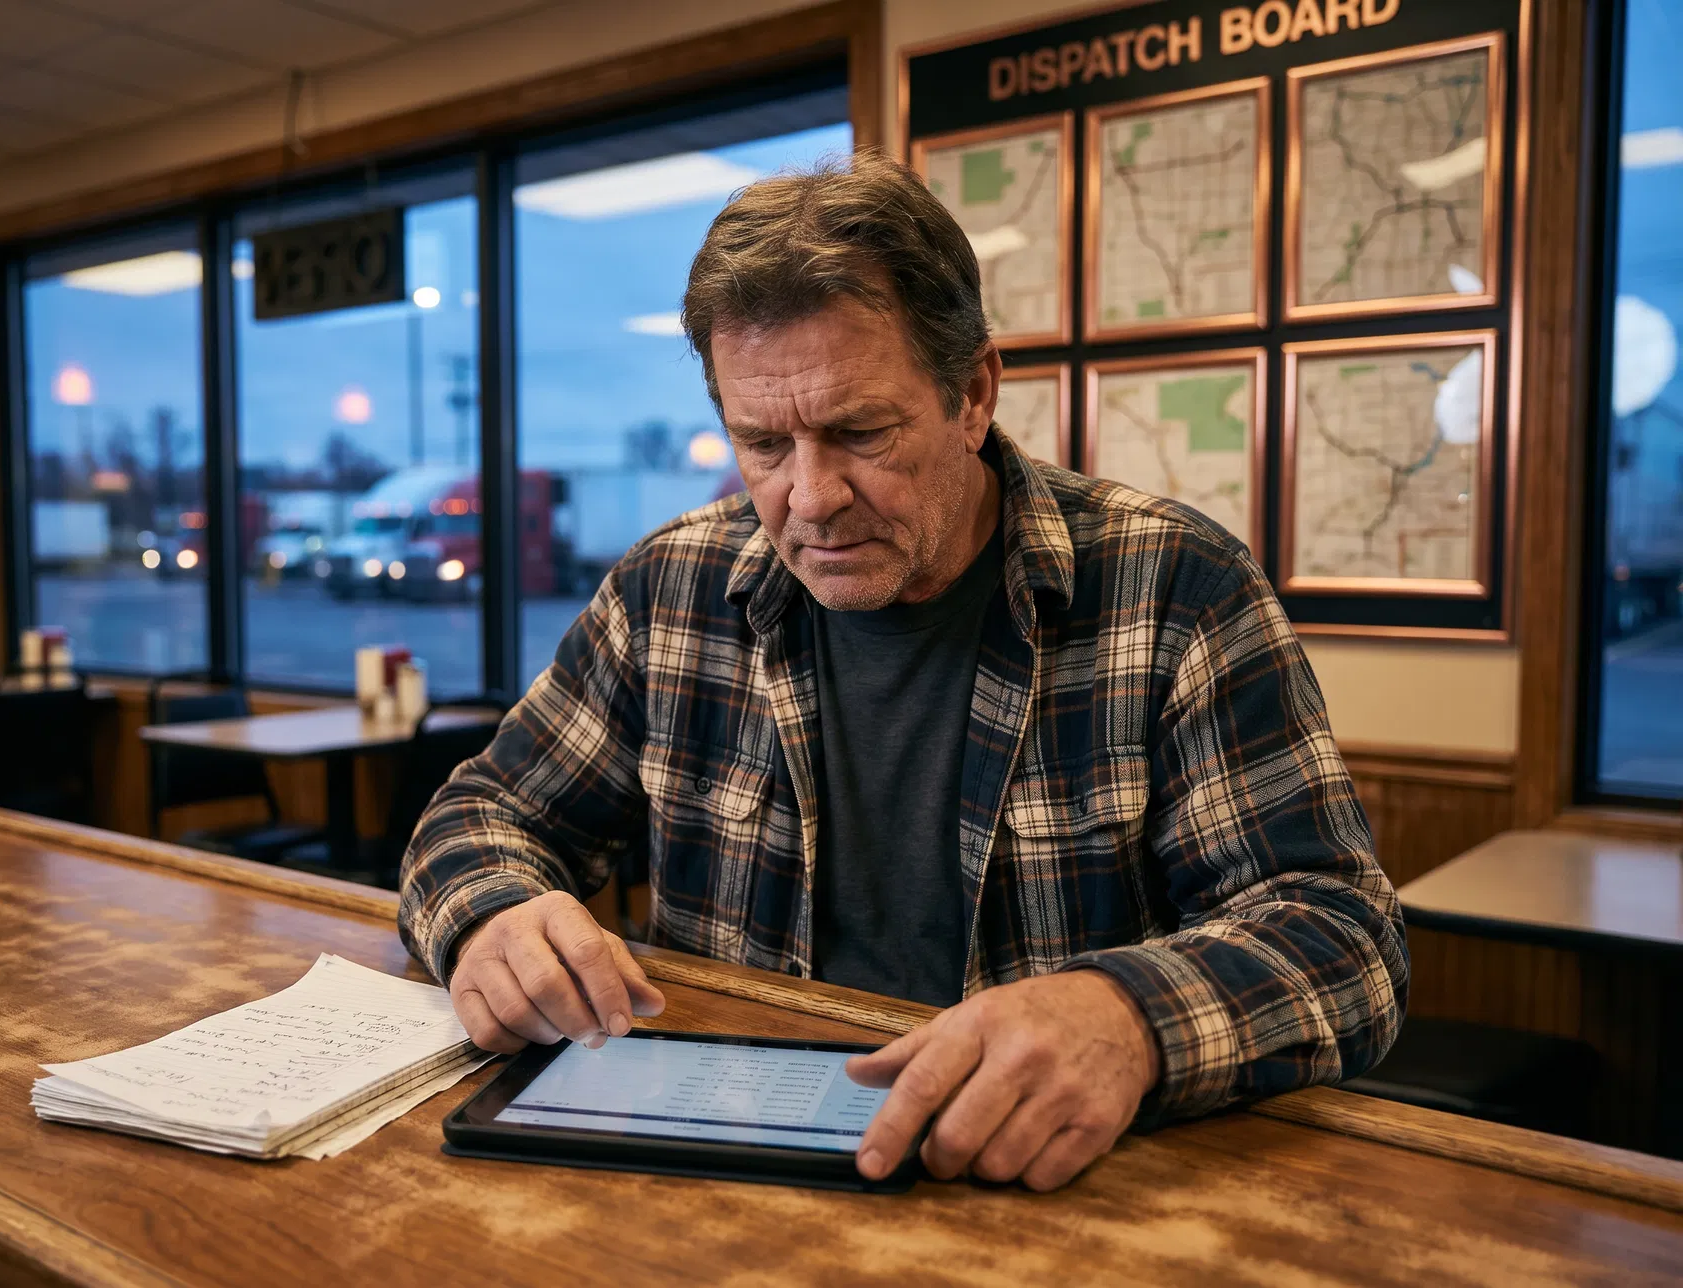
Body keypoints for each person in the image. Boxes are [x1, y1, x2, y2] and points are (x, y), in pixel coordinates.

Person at [397, 153, 1406, 1193]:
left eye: (859, 432)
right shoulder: (670, 589)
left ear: (972, 394)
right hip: (730, 1166)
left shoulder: (1174, 587)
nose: (810, 496)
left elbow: (1343, 935)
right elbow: (480, 816)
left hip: (1038, 1183)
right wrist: (495, 913)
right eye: (763, 443)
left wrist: (1128, 1015)